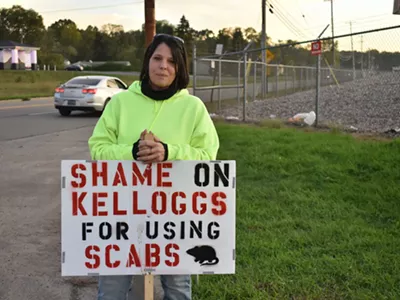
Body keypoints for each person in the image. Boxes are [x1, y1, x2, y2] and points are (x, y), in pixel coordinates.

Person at [87, 33, 220, 300]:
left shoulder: (193, 107)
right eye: (157, 58)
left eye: (172, 61)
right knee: (110, 292)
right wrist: (132, 152)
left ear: (180, 67)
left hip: (176, 214)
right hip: (121, 211)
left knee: (178, 292)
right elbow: (97, 150)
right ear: (147, 61)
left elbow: (208, 155)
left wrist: (169, 152)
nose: (163, 66)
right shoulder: (121, 103)